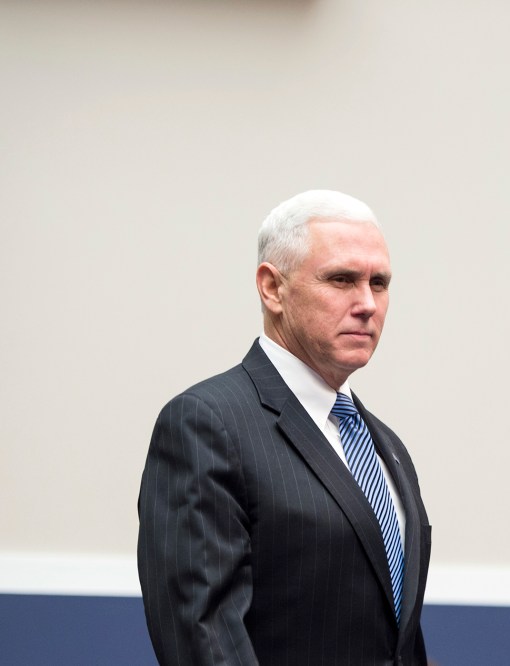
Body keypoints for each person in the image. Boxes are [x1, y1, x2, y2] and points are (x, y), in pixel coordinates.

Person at [138, 190, 432, 665]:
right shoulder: (206, 425)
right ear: (272, 288)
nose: (367, 303)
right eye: (341, 279)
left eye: (379, 283)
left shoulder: (386, 446)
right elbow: (204, 639)